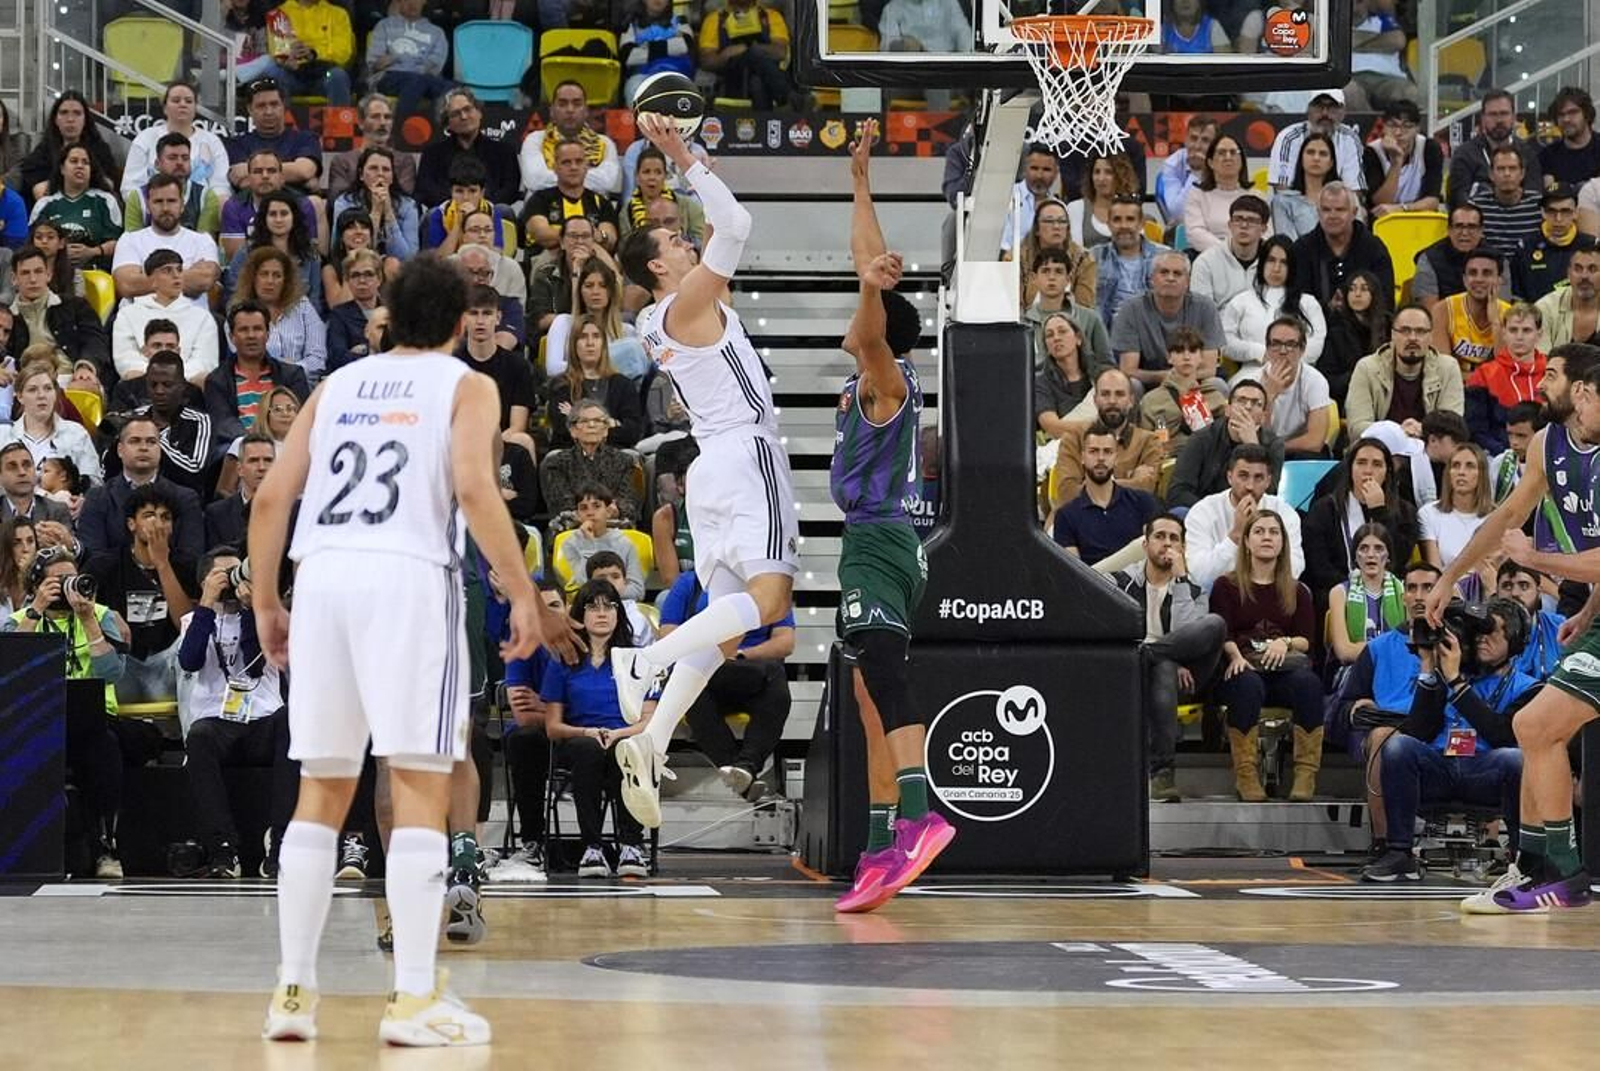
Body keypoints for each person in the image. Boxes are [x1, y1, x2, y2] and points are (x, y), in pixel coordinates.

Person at [249, 254, 560, 1045]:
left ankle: (293, 993)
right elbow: (474, 485)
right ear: (462, 323)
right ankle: (413, 998)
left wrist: (266, 600)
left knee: (320, 789)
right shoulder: (468, 385)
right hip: (409, 576)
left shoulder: (336, 385)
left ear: (384, 314)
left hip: (321, 576)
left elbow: (271, 496)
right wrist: (522, 589)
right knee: (421, 781)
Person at [611, 113, 799, 830]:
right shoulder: (687, 303)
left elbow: (722, 233)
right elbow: (739, 225)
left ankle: (652, 740)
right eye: (673, 239)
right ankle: (646, 660)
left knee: (722, 635)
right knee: (771, 601)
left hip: (709, 469)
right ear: (657, 266)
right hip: (745, 455)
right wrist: (683, 157)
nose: (687, 240)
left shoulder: (664, 318)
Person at [1423, 342, 1600, 912]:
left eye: (1551, 375)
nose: (1540, 385)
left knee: (1536, 726)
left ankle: (1563, 876)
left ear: (1581, 390)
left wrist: (1535, 559)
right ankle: (1536, 869)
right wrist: (1450, 576)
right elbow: (1505, 519)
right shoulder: (1550, 444)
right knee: (1533, 727)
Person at [824, 122, 950, 910]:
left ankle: (918, 814)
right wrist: (861, 181)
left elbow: (872, 313)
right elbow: (865, 267)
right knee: (869, 693)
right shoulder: (875, 374)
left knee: (887, 677)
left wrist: (873, 288)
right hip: (878, 541)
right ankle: (878, 848)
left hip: (879, 541)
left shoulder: (886, 379)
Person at [1361, 599, 1537, 882]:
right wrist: (1429, 670)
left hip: (1486, 773)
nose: (1481, 639)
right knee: (1397, 745)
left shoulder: (1528, 687)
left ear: (1515, 641)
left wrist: (1456, 682)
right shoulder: (1446, 675)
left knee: (1514, 757)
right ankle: (1399, 853)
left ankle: (1521, 858)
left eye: (1493, 632)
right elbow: (1417, 731)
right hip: (1439, 768)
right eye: (1478, 632)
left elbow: (1502, 734)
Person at [3, 545, 128, 876]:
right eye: (58, 581)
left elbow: (112, 673)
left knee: (105, 750)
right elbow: (9, 672)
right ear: (37, 584)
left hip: (93, 722)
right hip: (34, 722)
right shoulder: (18, 620)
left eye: (73, 579)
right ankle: (25, 850)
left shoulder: (101, 615)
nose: (69, 588)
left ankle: (106, 845)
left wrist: (87, 620)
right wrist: (35, 610)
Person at [175, 543, 294, 878]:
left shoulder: (266, 616)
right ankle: (223, 848)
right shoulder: (193, 619)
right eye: (222, 575)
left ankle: (281, 841)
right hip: (217, 722)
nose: (231, 580)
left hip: (264, 718)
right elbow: (190, 660)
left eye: (237, 571)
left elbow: (256, 667)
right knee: (198, 737)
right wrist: (207, 604)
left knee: (292, 720)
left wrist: (250, 608)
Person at [540, 578, 653, 879]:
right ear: (580, 615)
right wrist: (587, 733)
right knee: (589, 751)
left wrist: (617, 734)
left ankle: (631, 845)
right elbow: (552, 727)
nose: (602, 613)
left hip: (624, 738)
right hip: (579, 741)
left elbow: (648, 720)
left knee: (626, 750)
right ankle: (592, 847)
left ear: (619, 613)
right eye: (592, 606)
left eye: (609, 606)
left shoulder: (638, 660)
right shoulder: (563, 661)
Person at [1212, 509, 1323, 801]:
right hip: (1243, 668)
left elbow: (1306, 641)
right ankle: (1246, 774)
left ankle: (1305, 774)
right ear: (1246, 541)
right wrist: (1236, 657)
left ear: (1283, 542)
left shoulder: (1297, 591)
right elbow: (1221, 632)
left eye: (1274, 532)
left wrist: (1284, 642)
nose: (1267, 537)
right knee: (1246, 684)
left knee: (1309, 684)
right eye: (1259, 531)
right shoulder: (1226, 586)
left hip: (1283, 671)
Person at [1114, 514, 1225, 802]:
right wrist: (1168, 661)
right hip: (1139, 674)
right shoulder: (1122, 582)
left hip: (1189, 670)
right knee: (1163, 668)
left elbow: (1189, 636)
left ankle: (1145, 655)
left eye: (1174, 539)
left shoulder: (1194, 587)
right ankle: (1162, 773)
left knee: (1214, 624)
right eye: (1160, 536)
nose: (1167, 544)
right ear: (1145, 542)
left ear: (1183, 547)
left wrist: (1181, 580)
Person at [658, 566, 794, 799]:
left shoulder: (769, 583)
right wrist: (712, 654)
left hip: (749, 666)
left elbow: (785, 641)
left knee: (776, 678)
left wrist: (740, 654)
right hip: (706, 666)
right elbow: (668, 635)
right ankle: (741, 770)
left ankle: (745, 767)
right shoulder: (689, 583)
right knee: (688, 683)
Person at [84, 481, 198, 703]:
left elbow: (187, 625)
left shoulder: (186, 565)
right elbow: (78, 605)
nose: (158, 523)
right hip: (124, 664)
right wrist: (104, 613)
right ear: (131, 524)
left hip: (169, 664)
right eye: (149, 515)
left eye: (166, 517)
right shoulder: (105, 565)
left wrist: (162, 564)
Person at [493, 577, 569, 883]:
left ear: (568, 608)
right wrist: (559, 713)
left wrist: (546, 705)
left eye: (554, 607)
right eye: (541, 609)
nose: (547, 616)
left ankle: (608, 846)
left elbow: (597, 709)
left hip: (581, 739)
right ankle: (532, 842)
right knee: (525, 740)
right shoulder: (521, 644)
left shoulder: (590, 641)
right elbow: (523, 715)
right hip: (539, 739)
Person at [1303, 435, 1421, 605]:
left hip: (1387, 593)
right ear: (1349, 469)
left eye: (1377, 464)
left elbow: (1397, 561)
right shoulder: (1325, 509)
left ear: (1387, 471)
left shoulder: (1405, 512)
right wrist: (1354, 590)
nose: (1368, 470)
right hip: (1338, 593)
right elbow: (1319, 567)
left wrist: (1380, 513)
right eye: (1361, 463)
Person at [1183, 443, 1303, 590]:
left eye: (1258, 478)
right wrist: (1236, 535)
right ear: (1229, 477)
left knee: (1302, 592)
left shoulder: (1284, 513)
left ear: (1268, 481)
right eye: (1243, 476)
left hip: (1269, 591)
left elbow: (1294, 569)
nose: (1249, 486)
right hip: (1216, 595)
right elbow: (1199, 576)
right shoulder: (1203, 511)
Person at [1046, 367, 1161, 512]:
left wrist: (1089, 485)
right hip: (1079, 519)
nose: (1112, 401)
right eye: (1105, 394)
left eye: (1119, 394)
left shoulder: (1149, 441)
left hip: (1129, 519)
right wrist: (1131, 481)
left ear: (1131, 400)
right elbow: (1067, 493)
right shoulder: (1073, 438)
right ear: (1095, 400)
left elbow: (1146, 492)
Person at [1346, 304, 1466, 439]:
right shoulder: (1367, 368)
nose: (1412, 338)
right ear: (1392, 335)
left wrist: (1422, 429)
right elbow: (1357, 427)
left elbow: (1453, 426)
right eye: (1405, 331)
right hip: (1380, 451)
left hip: (1429, 451)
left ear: (1431, 336)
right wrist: (1398, 432)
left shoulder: (1448, 367)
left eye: (1420, 331)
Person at [1111, 251, 1224, 391]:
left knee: (1218, 385)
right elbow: (1128, 370)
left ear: (1188, 282)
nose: (1170, 278)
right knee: (1132, 384)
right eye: (1164, 272)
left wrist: (1180, 379)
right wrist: (1165, 377)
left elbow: (1209, 369)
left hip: (1194, 382)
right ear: (1152, 279)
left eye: (1177, 273)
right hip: (1149, 383)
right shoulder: (1131, 309)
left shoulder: (1206, 307)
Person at [206, 301, 313, 446]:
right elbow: (223, 424)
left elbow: (303, 419)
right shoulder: (216, 380)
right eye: (243, 330)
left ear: (267, 335)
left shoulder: (292, 375)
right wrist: (257, 443)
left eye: (257, 329)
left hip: (286, 444)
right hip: (239, 449)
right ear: (232, 337)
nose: (251, 335)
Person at [1053, 421, 1160, 565]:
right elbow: (1074, 573)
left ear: (1116, 458)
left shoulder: (1142, 503)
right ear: (1082, 458)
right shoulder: (1066, 516)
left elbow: (1157, 553)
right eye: (1093, 451)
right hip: (1092, 584)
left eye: (1107, 451)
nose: (1101, 458)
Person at [1221, 234, 1325, 382]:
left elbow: (1316, 345)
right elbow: (1226, 342)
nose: (1276, 268)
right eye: (1271, 260)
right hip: (1252, 372)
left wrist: (1286, 361)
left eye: (1284, 262)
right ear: (1261, 263)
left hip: (1298, 374)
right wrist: (1258, 351)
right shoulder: (1241, 301)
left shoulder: (1308, 303)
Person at [113, 171, 224, 307]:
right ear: (148, 206)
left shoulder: (203, 240)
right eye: (158, 202)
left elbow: (205, 279)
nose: (165, 208)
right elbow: (127, 286)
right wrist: (188, 275)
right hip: (140, 319)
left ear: (182, 205)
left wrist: (145, 279)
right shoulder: (129, 239)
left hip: (191, 320)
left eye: (171, 201)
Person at [1167, 380, 1282, 511]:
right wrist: (1214, 512)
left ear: (1263, 416)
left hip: (1252, 514)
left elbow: (1270, 494)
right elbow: (1178, 492)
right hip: (1205, 512)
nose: (1248, 407)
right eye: (1241, 401)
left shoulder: (1274, 445)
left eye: (1256, 403)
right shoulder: (1201, 439)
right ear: (1227, 410)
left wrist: (1253, 446)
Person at [112, 249, 219, 383]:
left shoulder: (202, 316)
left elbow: (205, 361)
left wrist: (173, 377)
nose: (176, 276)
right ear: (151, 278)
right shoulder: (128, 314)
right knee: (131, 376)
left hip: (188, 385)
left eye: (179, 270)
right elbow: (125, 358)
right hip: (142, 384)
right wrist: (156, 377)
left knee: (204, 380)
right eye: (167, 270)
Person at [455, 283, 537, 458]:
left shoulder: (517, 366)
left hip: (504, 441)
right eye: (473, 313)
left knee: (523, 440)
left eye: (487, 313)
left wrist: (491, 443)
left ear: (498, 318)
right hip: (460, 443)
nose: (480, 321)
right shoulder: (451, 366)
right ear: (463, 319)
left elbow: (517, 425)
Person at [546, 314, 645, 449]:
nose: (590, 343)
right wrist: (609, 422)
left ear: (604, 344)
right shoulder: (561, 384)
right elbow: (563, 430)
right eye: (583, 337)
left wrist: (578, 418)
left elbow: (631, 432)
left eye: (596, 336)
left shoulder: (623, 385)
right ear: (574, 344)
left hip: (615, 453)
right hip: (570, 453)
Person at [539, 399, 643, 527]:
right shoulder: (557, 463)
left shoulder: (625, 461)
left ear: (606, 430)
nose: (592, 425)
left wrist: (616, 511)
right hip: (573, 528)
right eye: (584, 421)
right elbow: (561, 504)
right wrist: (592, 513)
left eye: (598, 421)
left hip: (616, 526)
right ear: (573, 431)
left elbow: (629, 503)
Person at [120, 81, 232, 200]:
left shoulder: (212, 141)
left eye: (189, 101)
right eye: (176, 100)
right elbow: (130, 186)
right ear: (165, 108)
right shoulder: (145, 138)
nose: (183, 104)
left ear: (195, 108)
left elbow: (221, 186)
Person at [7, 245, 110, 374]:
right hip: (22, 384)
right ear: (14, 279)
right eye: (25, 273)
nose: (33, 279)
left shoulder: (75, 306)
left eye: (38, 271)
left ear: (48, 275)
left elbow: (95, 341)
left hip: (72, 377)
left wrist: (85, 366)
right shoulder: (6, 318)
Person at [232, 246, 327, 382]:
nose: (270, 281)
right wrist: (286, 368)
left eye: (277, 275)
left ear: (285, 281)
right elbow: (246, 361)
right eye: (264, 274)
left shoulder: (303, 307)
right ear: (253, 278)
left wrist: (292, 369)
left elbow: (317, 358)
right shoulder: (238, 313)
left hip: (302, 386)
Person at [1291, 182, 1395, 306]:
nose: (1332, 216)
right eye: (1326, 210)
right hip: (1317, 323)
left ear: (1354, 213)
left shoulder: (1374, 248)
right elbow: (1297, 303)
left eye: (1340, 210)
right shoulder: (1302, 248)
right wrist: (1328, 309)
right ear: (1318, 213)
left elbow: (1385, 300)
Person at [544, 254, 647, 380]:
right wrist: (596, 367)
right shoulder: (563, 323)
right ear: (579, 290)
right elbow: (553, 368)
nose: (596, 292)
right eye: (589, 286)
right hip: (576, 389)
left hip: (616, 392)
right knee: (630, 348)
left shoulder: (626, 330)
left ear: (611, 291)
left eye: (603, 286)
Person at [415, 88, 521, 209]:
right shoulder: (432, 154)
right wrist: (456, 207)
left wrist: (481, 207)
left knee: (503, 210)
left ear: (479, 112)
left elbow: (510, 188)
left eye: (468, 109)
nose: (464, 117)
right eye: (455, 114)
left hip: (492, 212)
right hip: (446, 213)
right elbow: (425, 189)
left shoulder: (504, 151)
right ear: (447, 123)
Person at [517, 80, 623, 199]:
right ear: (552, 111)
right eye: (563, 104)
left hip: (592, 210)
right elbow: (535, 180)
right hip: (543, 210)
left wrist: (560, 177)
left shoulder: (605, 143)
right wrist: (579, 178)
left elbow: (606, 181)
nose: (570, 110)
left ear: (586, 111)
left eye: (577, 104)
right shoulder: (535, 140)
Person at [17, 91, 123, 208]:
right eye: (64, 113)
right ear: (56, 119)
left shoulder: (100, 150)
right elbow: (38, 191)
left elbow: (109, 184)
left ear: (85, 119)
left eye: (77, 113)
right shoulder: (42, 152)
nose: (70, 119)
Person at [133, 350, 215, 499]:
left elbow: (195, 471)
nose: (159, 391)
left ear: (183, 385)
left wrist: (154, 439)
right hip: (134, 498)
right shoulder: (134, 418)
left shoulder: (199, 421)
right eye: (153, 384)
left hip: (182, 502)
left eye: (167, 384)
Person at [1419, 442, 1496, 598]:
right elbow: (1435, 571)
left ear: (1481, 473)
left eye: (1470, 466)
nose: (1461, 472)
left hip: (1487, 593)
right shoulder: (1429, 514)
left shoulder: (1496, 517)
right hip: (1447, 595)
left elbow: (1491, 567)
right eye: (1455, 466)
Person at [0, 365, 101, 482]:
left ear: (55, 394)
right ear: (20, 397)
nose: (41, 395)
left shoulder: (76, 433)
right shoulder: (3, 435)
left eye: (48, 388)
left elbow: (94, 483)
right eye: (32, 390)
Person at [1135, 326, 1224, 459]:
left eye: (1193, 351)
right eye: (1179, 351)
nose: (1186, 357)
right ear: (1169, 357)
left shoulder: (1215, 396)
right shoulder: (1151, 401)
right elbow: (1144, 445)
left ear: (1201, 357)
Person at [27, 145, 122, 269]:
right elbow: (32, 245)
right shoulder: (45, 204)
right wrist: (59, 252)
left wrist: (92, 252)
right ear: (62, 168)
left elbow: (119, 243)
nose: (80, 166)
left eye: (85, 162)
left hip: (96, 272)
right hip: (52, 272)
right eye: (74, 161)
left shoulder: (105, 201)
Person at [1446, 88, 1543, 208]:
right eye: (1493, 114)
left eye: (1504, 113)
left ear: (1513, 117)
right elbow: (1458, 200)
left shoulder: (1528, 153)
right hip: (1478, 223)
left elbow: (1535, 197)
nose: (1499, 120)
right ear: (1483, 118)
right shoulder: (1464, 154)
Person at [225, 81, 323, 197]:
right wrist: (298, 179)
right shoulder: (237, 144)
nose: (268, 111)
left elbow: (304, 171)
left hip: (296, 208)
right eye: (261, 106)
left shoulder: (305, 139)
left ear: (284, 107)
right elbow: (240, 179)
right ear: (250, 110)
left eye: (274, 104)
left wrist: (254, 173)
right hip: (252, 208)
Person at [1328, 521, 1406, 667]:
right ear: (1355, 557)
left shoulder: (1404, 592)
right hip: (1354, 669)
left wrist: (1365, 649)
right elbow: (1344, 652)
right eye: (1364, 548)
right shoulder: (1338, 593)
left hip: (1397, 667)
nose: (1371, 555)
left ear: (1388, 556)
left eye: (1378, 548)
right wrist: (1390, 651)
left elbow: (1410, 647)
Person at [121, 132, 225, 239]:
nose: (180, 162)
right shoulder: (138, 197)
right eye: (172, 157)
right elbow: (131, 242)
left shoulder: (206, 196)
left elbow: (204, 244)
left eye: (185, 158)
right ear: (157, 164)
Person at [330, 146, 421, 265]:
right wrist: (376, 212)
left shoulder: (408, 205)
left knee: (391, 264)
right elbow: (337, 251)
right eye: (373, 168)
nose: (380, 174)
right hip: (354, 266)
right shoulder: (344, 203)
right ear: (361, 175)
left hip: (395, 273)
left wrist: (388, 212)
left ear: (392, 177)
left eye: (386, 169)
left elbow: (408, 259)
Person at [1023, 246, 1111, 369]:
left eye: (1058, 271)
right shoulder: (1023, 323)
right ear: (1034, 278)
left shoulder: (1090, 319)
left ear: (1068, 279)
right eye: (1045, 271)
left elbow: (1106, 364)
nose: (1052, 277)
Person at [1258, 315, 1334, 458]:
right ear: (1267, 349)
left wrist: (1277, 448)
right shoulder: (1252, 381)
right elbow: (1256, 437)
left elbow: (1315, 441)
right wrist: (1268, 397)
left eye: (1291, 345)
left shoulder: (1315, 380)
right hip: (1262, 453)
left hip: (1297, 451)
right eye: (1276, 344)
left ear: (1302, 350)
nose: (1282, 351)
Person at [365, 0, 454, 121]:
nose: (413, 3)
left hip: (423, 76)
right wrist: (413, 63)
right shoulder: (384, 25)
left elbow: (436, 64)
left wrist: (396, 58)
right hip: (389, 76)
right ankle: (399, 129)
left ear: (424, 2)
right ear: (399, 2)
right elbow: (374, 63)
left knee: (455, 89)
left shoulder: (437, 32)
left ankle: (439, 131)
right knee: (415, 81)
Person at [698, 0, 794, 112]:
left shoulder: (771, 16)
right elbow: (707, 62)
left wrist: (748, 48)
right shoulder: (715, 19)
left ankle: (763, 123)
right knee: (755, 61)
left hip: (763, 78)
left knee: (757, 81)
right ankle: (786, 96)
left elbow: (780, 53)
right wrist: (725, 55)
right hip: (732, 78)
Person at [1266, 89, 1365, 193]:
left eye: (1332, 107)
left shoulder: (1350, 139)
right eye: (1319, 106)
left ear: (1343, 112)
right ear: (1308, 110)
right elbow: (1282, 191)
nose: (1325, 113)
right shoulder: (1289, 137)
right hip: (1293, 206)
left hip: (1334, 206)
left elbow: (1354, 191)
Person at [325, 94, 419, 203]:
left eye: (387, 117)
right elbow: (337, 199)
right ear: (361, 122)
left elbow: (405, 199)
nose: (383, 123)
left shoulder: (405, 161)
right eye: (375, 117)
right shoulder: (342, 162)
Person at [556, 484, 646, 598]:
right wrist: (588, 544)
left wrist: (609, 594)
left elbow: (638, 591)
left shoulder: (625, 543)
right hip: (590, 603)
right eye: (584, 508)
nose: (590, 513)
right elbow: (584, 583)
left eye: (596, 506)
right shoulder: (570, 544)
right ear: (578, 515)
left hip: (622, 603)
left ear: (608, 511)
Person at [1007, 197, 1096, 311]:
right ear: (1037, 229)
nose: (1056, 227)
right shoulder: (1016, 258)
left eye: (1062, 221)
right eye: (1049, 221)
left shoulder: (1084, 259)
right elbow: (1014, 308)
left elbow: (1084, 310)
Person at [1511, 185, 1596, 303]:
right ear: (1542, 212)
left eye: (1565, 211)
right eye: (1551, 211)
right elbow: (1518, 299)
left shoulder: (1593, 246)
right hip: (1536, 318)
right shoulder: (1526, 247)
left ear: (1576, 213)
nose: (1558, 218)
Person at [1092, 193, 1165, 327]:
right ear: (1108, 224)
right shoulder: (1094, 257)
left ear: (1141, 224)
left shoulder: (1164, 256)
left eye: (1130, 219)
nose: (1123, 225)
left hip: (1153, 332)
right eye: (1117, 219)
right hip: (1108, 334)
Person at [1433, 250, 1509, 376]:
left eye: (1487, 273)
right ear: (1464, 279)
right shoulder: (1443, 310)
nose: (1479, 279)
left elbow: (1508, 368)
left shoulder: (1509, 314)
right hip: (1454, 387)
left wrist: (1495, 322)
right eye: (1473, 273)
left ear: (1499, 280)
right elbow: (1443, 370)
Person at [1363, 99, 1444, 217]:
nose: (1398, 132)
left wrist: (1402, 209)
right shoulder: (1372, 151)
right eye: (1392, 125)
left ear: (1417, 128)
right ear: (1383, 126)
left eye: (1407, 126)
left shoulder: (1429, 148)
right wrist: (1397, 162)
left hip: (1418, 216)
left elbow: (1432, 201)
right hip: (1383, 219)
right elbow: (1381, 203)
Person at [1322, 270, 1391, 408]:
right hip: (1350, 397)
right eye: (1352, 289)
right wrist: (1357, 375)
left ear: (1374, 294)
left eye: (1364, 289)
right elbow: (1327, 379)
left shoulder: (1389, 326)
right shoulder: (1336, 331)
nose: (1357, 294)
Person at [421, 156, 517, 255]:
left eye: (472, 191)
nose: (466, 197)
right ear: (451, 192)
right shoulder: (440, 213)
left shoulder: (492, 211)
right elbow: (439, 259)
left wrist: (474, 221)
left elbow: (496, 253)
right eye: (459, 191)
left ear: (482, 192)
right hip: (451, 266)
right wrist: (458, 225)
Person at [267, 0, 356, 105]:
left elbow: (343, 53)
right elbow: (277, 52)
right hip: (292, 74)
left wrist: (314, 53)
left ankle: (338, 121)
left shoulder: (338, 14)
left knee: (337, 75)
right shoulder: (279, 13)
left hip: (325, 74)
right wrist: (286, 59)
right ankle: (278, 120)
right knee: (276, 75)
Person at [1191, 194, 1270, 309]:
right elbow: (1202, 313)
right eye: (1238, 219)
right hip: (1221, 325)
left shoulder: (1275, 260)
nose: (1244, 225)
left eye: (1251, 220)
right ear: (1230, 225)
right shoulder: (1205, 262)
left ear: (1264, 229)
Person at [1183, 135, 1259, 255]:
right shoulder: (1197, 194)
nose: (1228, 157)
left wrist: (1245, 252)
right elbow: (1195, 233)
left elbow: (1266, 234)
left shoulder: (1256, 196)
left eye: (1233, 152)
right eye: (1221, 153)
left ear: (1242, 161)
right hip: (1209, 256)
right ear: (1210, 162)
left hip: (1250, 256)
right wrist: (1228, 251)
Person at [1469, 147, 1544, 259]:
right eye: (1500, 169)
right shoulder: (1476, 206)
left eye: (1512, 168)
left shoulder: (1539, 204)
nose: (1507, 174)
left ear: (1522, 173)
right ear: (1491, 174)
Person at [1413, 203, 1491, 311]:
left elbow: (1502, 311)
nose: (1464, 233)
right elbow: (1430, 314)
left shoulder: (1497, 260)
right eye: (1459, 226)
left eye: (1471, 227)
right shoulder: (1428, 259)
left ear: (1481, 231)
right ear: (1449, 230)